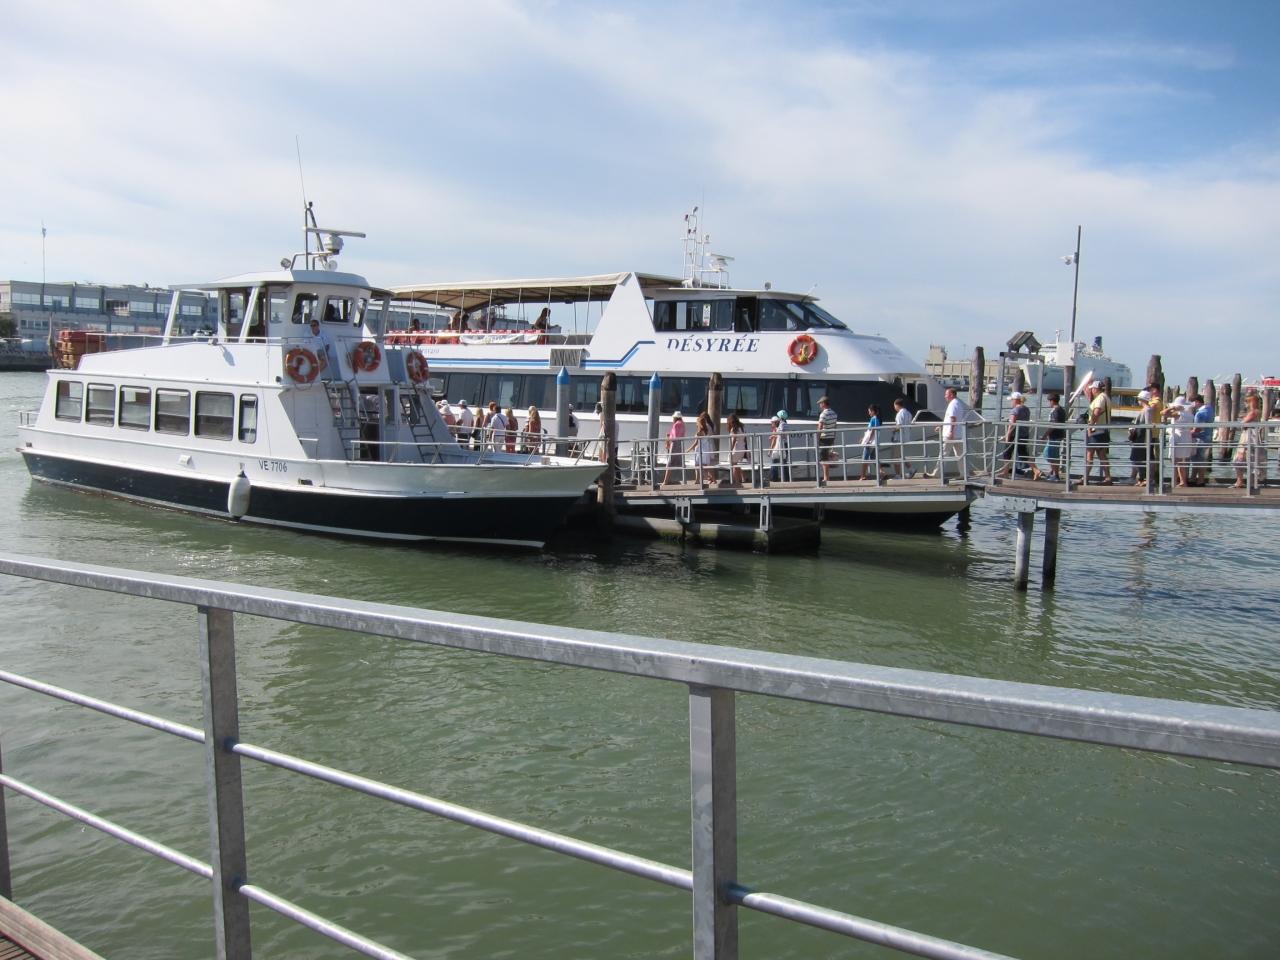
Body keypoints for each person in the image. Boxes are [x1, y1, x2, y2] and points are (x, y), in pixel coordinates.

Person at [995, 392, 1031, 479]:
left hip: (1015, 435)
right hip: (1024, 434)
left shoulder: (1015, 410)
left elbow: (1012, 424)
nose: (1011, 402)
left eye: (1012, 400)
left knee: (1007, 453)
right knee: (1023, 453)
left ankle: (1005, 472)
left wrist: (1007, 436)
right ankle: (1036, 470)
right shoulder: (1026, 409)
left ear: (1015, 400)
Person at [1031, 393, 1066, 481]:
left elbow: (1053, 425)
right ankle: (1053, 472)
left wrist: (1045, 435)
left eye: (1049, 401)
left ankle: (1056, 475)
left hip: (1054, 436)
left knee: (1049, 454)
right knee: (1053, 455)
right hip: (1058, 435)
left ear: (1052, 401)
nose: (1048, 403)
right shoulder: (1061, 410)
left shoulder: (1055, 411)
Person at [1233, 391, 1263, 489]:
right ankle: (1246, 482)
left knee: (1240, 459)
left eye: (1247, 402)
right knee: (1248, 459)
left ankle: (1241, 481)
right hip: (1250, 436)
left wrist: (1242, 420)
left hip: (1248, 437)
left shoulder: (1253, 412)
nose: (1245, 403)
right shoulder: (1256, 412)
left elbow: (1243, 423)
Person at [1085, 380, 1113, 484]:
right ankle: (1108, 477)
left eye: (1092, 389)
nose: (1091, 390)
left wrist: (1090, 426)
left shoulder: (1100, 398)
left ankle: (1085, 478)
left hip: (1096, 432)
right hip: (1103, 431)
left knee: (1089, 455)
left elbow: (1096, 412)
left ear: (1095, 389)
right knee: (1102, 456)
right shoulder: (1106, 397)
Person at [1163, 396, 1195, 487]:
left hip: (1178, 438)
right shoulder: (1189, 415)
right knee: (1181, 461)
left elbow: (1163, 413)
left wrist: (1172, 408)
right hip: (1186, 437)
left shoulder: (1178, 414)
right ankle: (1181, 481)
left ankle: (1178, 481)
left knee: (1176, 461)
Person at [1126, 390, 1155, 485]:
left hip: (1143, 438)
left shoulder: (1147, 410)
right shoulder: (1146, 409)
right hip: (1141, 437)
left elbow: (1147, 425)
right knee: (1140, 458)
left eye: (1139, 399)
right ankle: (1142, 479)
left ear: (1142, 399)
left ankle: (1145, 479)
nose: (1138, 400)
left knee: (1138, 458)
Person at [1192, 394, 1214, 485]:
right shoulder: (1210, 409)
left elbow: (1198, 429)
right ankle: (1195, 479)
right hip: (1208, 437)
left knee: (1198, 459)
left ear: (1196, 402)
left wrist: (1188, 433)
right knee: (1201, 460)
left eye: (1193, 403)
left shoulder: (1200, 413)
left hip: (1200, 438)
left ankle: (1199, 480)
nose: (1192, 405)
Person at [661, 410, 687, 485]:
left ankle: (665, 481)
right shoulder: (682, 424)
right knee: (680, 463)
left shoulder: (676, 424)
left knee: (670, 463)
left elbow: (675, 436)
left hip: (675, 444)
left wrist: (668, 438)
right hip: (680, 444)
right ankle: (683, 480)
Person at [815, 395, 838, 482]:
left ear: (824, 403)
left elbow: (820, 427)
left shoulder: (823, 414)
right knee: (826, 457)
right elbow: (835, 426)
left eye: (820, 403)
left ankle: (826, 478)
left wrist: (817, 438)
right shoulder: (834, 413)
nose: (819, 405)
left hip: (824, 438)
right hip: (831, 437)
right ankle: (827, 477)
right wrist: (833, 437)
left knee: (823, 458)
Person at [891, 397, 913, 478]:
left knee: (895, 457)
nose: (894, 408)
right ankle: (911, 469)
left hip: (899, 438)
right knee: (901, 455)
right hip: (906, 437)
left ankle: (898, 475)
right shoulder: (908, 413)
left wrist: (892, 430)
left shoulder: (899, 414)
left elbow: (899, 426)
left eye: (894, 406)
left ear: (897, 405)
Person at [859, 403, 883, 480]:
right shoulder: (877, 419)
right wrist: (863, 438)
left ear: (872, 411)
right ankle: (882, 472)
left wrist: (868, 440)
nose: (869, 413)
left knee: (864, 459)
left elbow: (873, 430)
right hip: (874, 442)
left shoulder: (874, 419)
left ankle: (863, 476)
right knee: (873, 458)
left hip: (870, 443)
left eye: (869, 411)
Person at [692, 412, 716, 485]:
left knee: (701, 465)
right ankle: (710, 479)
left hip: (703, 448)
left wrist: (689, 449)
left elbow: (697, 441)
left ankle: (709, 479)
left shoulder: (703, 428)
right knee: (706, 465)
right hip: (709, 446)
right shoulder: (711, 426)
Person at [726, 412, 748, 485]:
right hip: (742, 448)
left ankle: (736, 482)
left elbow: (734, 440)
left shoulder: (734, 429)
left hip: (736, 448)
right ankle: (743, 478)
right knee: (736, 464)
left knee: (733, 465)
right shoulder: (742, 427)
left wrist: (730, 450)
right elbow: (745, 439)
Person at [768, 410, 789, 481]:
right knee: (783, 462)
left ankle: (774, 478)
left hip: (781, 444)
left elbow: (781, 434)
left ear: (780, 417)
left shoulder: (782, 424)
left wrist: (773, 435)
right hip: (782, 443)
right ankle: (785, 478)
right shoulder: (785, 424)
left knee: (777, 461)